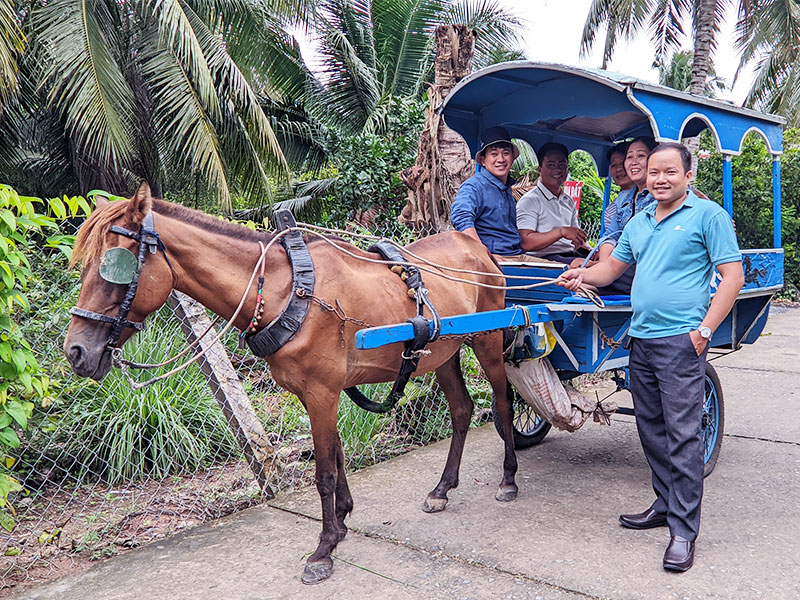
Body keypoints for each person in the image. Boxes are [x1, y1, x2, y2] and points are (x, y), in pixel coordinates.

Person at [556, 142, 744, 572]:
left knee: (682, 435)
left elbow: (733, 275)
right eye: (653, 172)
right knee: (652, 431)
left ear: (687, 175)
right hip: (641, 338)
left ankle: (684, 531)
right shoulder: (639, 222)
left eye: (669, 172)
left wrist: (705, 331)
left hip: (682, 341)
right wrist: (580, 274)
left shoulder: (707, 215)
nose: (659, 178)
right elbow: (610, 270)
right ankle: (665, 504)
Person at [450, 126, 522, 256]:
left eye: (505, 153)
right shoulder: (474, 186)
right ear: (483, 160)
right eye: (494, 154)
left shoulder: (507, 188)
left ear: (512, 157)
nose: (500, 159)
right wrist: (485, 256)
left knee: (566, 271)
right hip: (495, 259)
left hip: (515, 254)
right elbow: (460, 217)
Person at [516, 142, 590, 263]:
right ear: (539, 169)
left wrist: (590, 251)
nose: (557, 170)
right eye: (551, 165)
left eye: (562, 165)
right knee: (587, 269)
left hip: (568, 255)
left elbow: (576, 239)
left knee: (604, 265)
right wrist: (561, 232)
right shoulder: (530, 201)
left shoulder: (568, 201)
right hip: (543, 258)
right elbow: (525, 242)